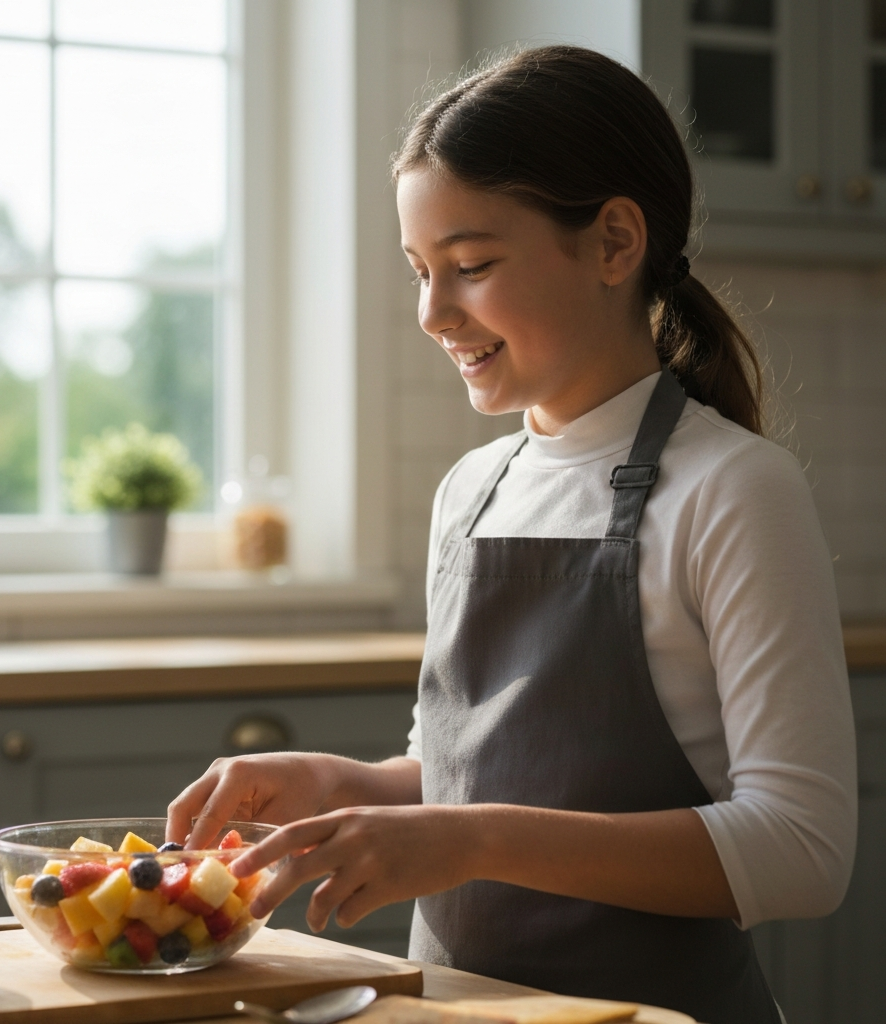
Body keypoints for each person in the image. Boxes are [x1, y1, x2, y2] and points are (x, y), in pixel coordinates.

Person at [167, 47, 856, 1024]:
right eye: (419, 270)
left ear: (614, 242)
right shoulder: (473, 491)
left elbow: (801, 850)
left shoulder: (733, 490)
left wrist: (472, 838)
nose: (433, 311)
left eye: (471, 265)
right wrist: (347, 784)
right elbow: (463, 774)